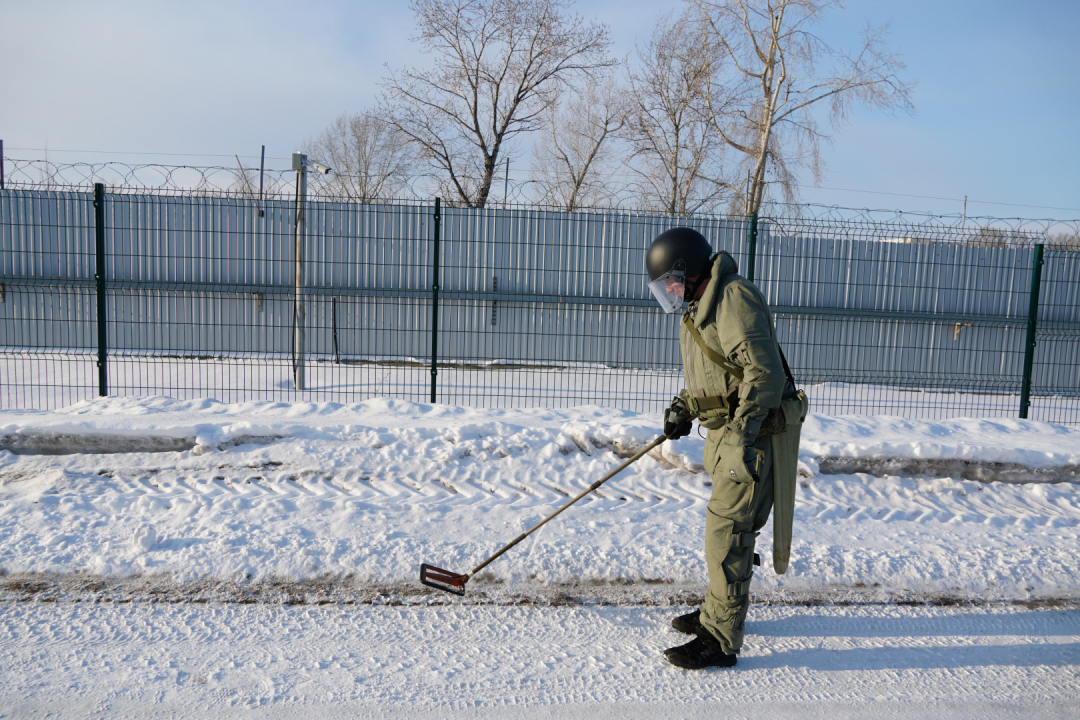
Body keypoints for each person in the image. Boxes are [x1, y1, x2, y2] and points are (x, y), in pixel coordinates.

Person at [645, 227, 806, 670]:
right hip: (726, 436)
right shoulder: (700, 307)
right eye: (665, 288)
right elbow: (720, 375)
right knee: (727, 532)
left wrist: (740, 433)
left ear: (690, 270)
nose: (671, 292)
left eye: (672, 282)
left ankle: (720, 639)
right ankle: (717, 611)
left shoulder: (733, 298)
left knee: (728, 534)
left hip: (751, 438)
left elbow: (764, 375)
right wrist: (685, 405)